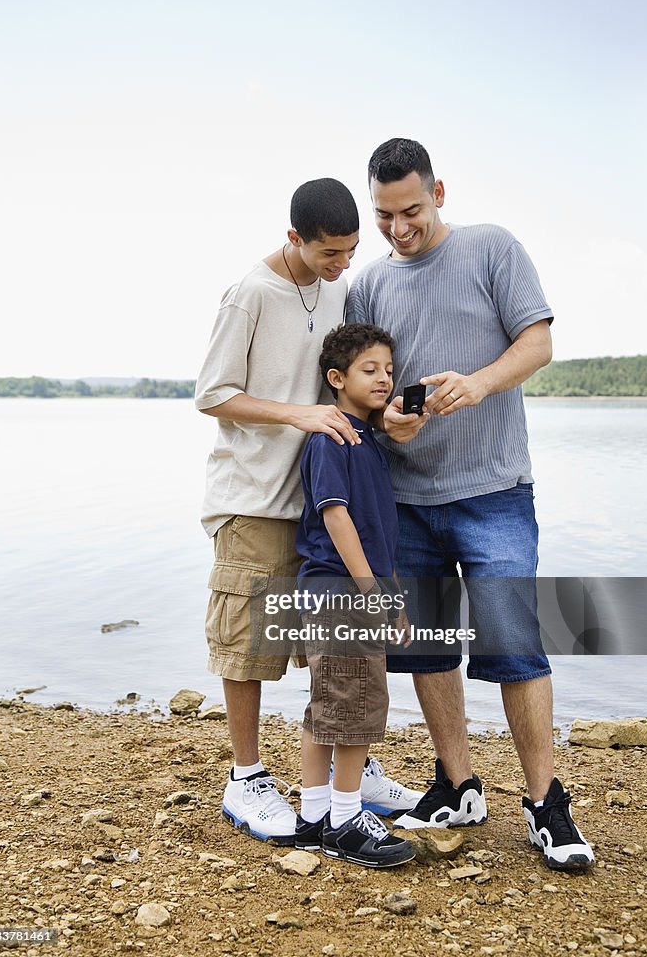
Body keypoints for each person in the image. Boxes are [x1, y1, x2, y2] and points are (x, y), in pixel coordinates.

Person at [346, 138, 594, 871]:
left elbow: (539, 342)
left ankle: (546, 803)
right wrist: (385, 419)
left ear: (440, 192)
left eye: (411, 210)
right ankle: (457, 784)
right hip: (406, 498)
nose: (399, 228)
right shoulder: (367, 285)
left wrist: (481, 383)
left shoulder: (492, 249)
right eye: (385, 215)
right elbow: (367, 388)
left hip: (493, 493)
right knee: (424, 646)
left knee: (516, 645)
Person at [195, 178, 421, 846]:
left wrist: (389, 420)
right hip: (257, 498)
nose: (342, 265)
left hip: (320, 509)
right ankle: (246, 778)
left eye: (351, 251)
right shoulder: (250, 293)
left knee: (333, 654)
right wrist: (298, 414)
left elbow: (349, 379)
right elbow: (212, 393)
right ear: (295, 237)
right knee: (249, 644)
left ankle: (349, 772)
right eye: (330, 253)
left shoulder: (336, 288)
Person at [292, 322, 415, 867]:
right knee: (357, 705)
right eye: (370, 370)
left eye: (389, 369)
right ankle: (344, 820)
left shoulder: (368, 440)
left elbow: (375, 527)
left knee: (330, 703)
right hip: (339, 591)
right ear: (337, 378)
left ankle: (315, 813)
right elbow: (335, 515)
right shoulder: (331, 436)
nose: (384, 378)